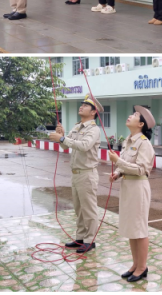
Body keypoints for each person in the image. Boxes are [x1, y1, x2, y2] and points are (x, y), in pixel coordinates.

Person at [48, 94, 102, 253]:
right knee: (79, 208)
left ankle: (90, 240)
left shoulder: (94, 130)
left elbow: (84, 146)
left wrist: (63, 138)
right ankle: (80, 238)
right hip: (76, 173)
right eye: (82, 104)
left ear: (93, 112)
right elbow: (65, 146)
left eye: (86, 105)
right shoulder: (77, 127)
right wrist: (62, 136)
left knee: (89, 209)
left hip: (87, 173)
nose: (81, 106)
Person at [108, 106, 156, 283]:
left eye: (134, 115)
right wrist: (117, 173)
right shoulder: (128, 140)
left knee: (140, 228)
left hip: (138, 187)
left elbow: (142, 169)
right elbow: (127, 165)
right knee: (131, 227)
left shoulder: (144, 143)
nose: (130, 116)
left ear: (141, 124)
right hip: (128, 186)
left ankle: (142, 267)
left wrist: (117, 161)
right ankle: (135, 264)